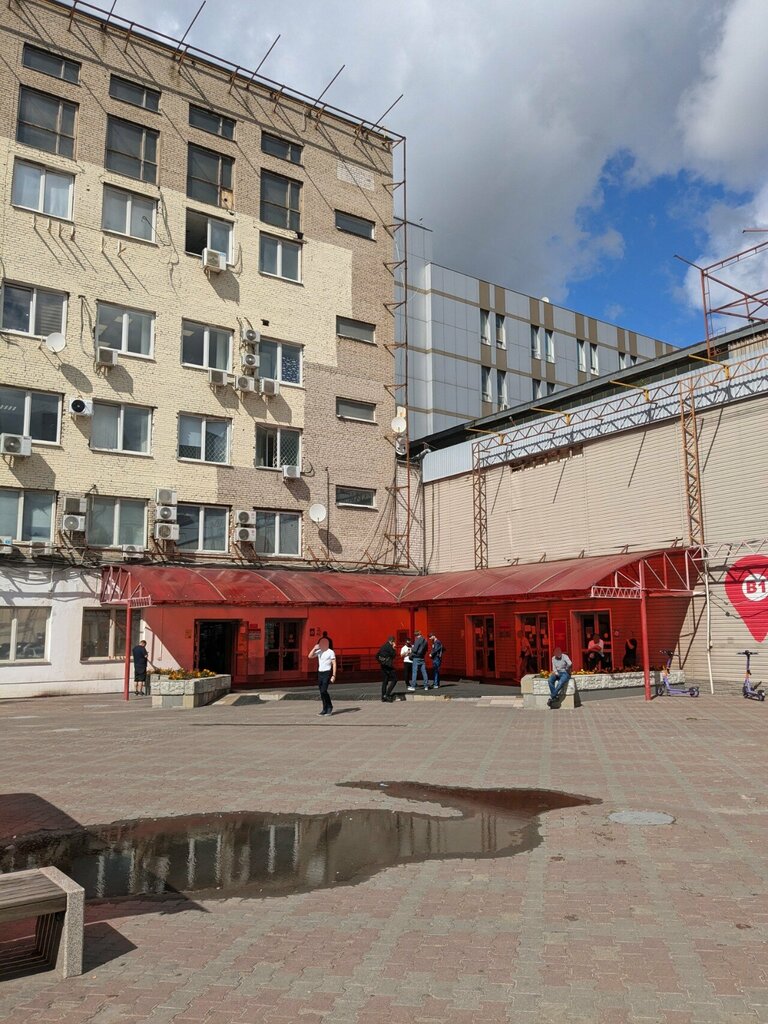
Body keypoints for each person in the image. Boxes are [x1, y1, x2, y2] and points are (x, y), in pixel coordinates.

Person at [309, 637, 336, 716]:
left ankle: (329, 706)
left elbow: (334, 663)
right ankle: (324, 709)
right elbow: (310, 656)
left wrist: (333, 675)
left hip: (327, 672)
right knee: (321, 692)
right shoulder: (319, 651)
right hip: (320, 673)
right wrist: (314, 648)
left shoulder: (330, 652)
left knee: (324, 690)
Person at [376, 636, 397, 702]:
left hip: (383, 666)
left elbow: (376, 656)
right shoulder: (390, 647)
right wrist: (394, 648)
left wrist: (381, 662)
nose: (394, 643)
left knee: (385, 681)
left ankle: (383, 697)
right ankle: (387, 695)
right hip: (388, 666)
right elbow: (394, 655)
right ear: (392, 641)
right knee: (395, 679)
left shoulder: (383, 646)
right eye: (394, 642)